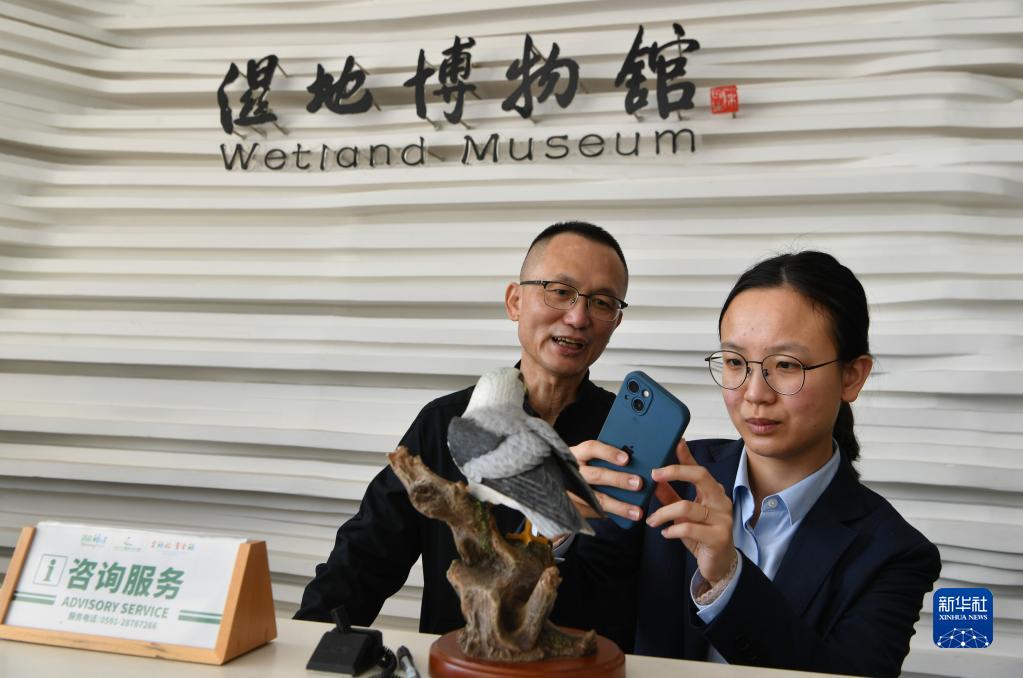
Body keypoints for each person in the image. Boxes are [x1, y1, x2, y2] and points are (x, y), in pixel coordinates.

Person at [572, 251, 941, 676]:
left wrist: (728, 579)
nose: (754, 394)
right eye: (735, 363)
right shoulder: (666, 477)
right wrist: (559, 528)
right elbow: (578, 617)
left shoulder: (893, 552)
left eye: (785, 365)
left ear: (851, 376)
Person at [294, 221, 641, 648]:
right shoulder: (445, 423)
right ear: (515, 301)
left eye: (602, 302)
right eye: (559, 291)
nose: (578, 317)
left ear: (615, 322)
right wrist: (305, 643)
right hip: (455, 663)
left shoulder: (626, 444)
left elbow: (629, 598)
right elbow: (364, 558)